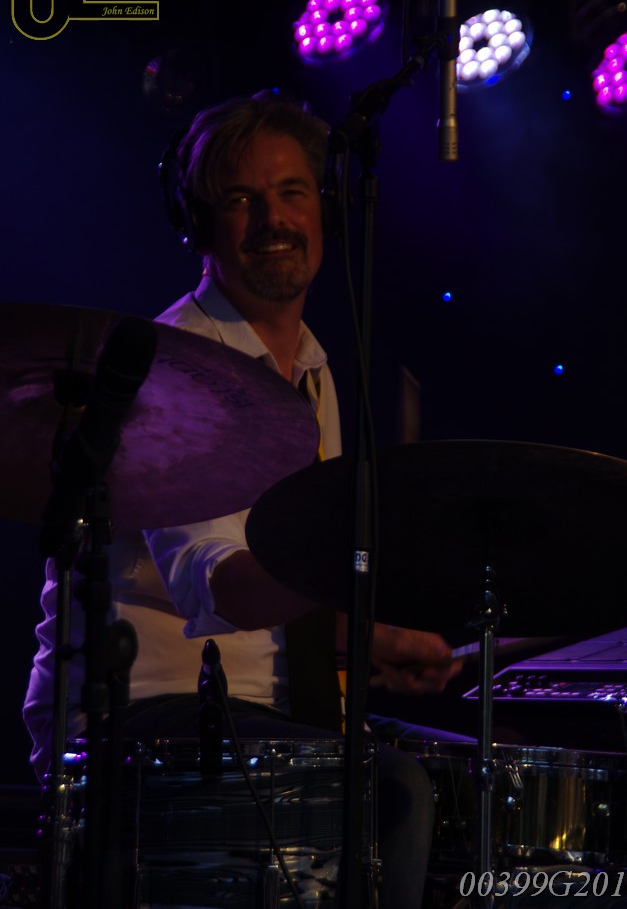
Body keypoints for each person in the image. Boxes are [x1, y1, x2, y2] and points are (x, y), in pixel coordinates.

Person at [24, 89, 470, 909]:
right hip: (139, 721)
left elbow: (284, 598)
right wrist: (361, 569)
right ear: (197, 225)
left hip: (263, 714)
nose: (274, 219)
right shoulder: (175, 370)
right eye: (240, 198)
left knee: (472, 774)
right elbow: (223, 586)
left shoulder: (314, 367)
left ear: (323, 209)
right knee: (393, 789)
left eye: (292, 191)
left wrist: (372, 640)